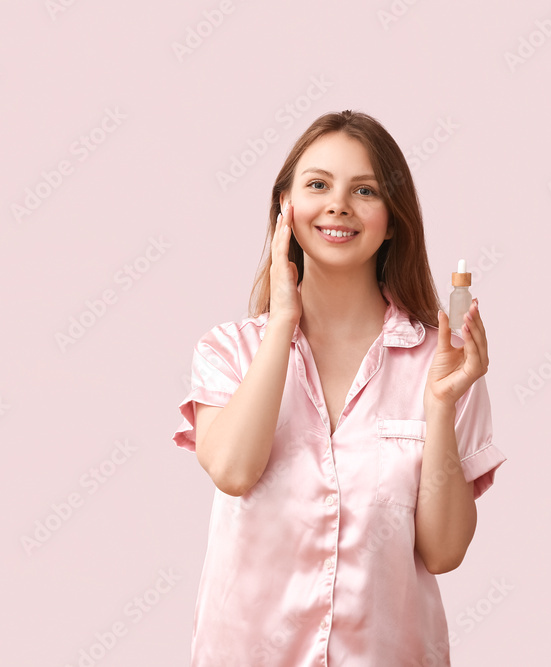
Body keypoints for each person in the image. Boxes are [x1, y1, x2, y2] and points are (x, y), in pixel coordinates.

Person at [172, 110, 506, 666]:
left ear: (393, 220)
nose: (339, 205)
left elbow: (444, 551)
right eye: (318, 185)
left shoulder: (442, 364)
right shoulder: (228, 352)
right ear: (286, 207)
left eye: (365, 190)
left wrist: (441, 408)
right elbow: (232, 470)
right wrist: (282, 321)